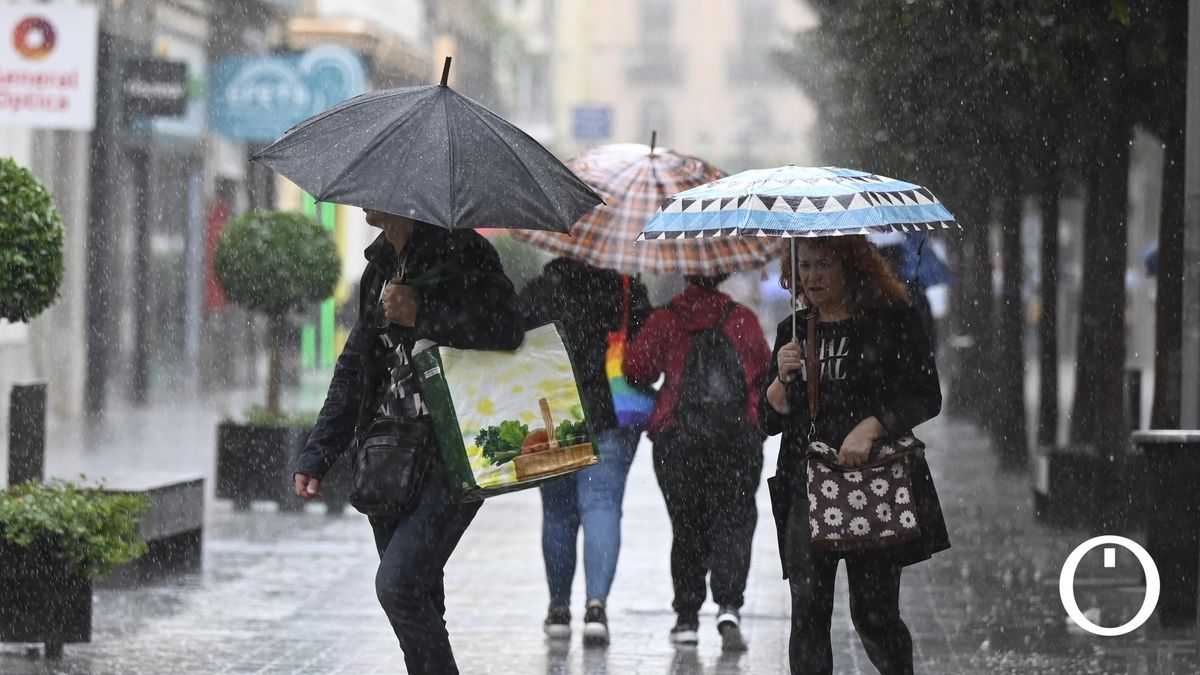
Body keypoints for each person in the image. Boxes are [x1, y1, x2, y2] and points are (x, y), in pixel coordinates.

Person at [293, 209, 523, 675]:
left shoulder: (465, 253)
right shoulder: (379, 265)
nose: (364, 199)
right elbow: (355, 368)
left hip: (452, 454)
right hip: (387, 458)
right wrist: (318, 454)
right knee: (420, 597)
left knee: (398, 585)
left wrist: (425, 315)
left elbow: (507, 329)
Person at [760, 236, 950, 675]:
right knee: (808, 614)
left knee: (875, 616)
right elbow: (767, 421)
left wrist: (872, 426)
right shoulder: (792, 331)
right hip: (806, 488)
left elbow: (926, 395)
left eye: (824, 264)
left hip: (874, 487)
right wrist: (780, 382)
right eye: (805, 265)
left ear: (852, 265)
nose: (812, 276)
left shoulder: (892, 321)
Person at [624, 274, 771, 651]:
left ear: (685, 272)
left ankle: (687, 616)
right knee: (734, 520)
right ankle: (728, 605)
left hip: (678, 440)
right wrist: (754, 424)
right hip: (736, 439)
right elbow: (764, 375)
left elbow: (637, 369)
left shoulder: (665, 319)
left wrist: (639, 327)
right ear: (722, 272)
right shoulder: (742, 319)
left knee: (687, 526)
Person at [519, 256, 651, 646]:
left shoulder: (540, 291)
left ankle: (558, 608)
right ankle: (596, 608)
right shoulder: (624, 289)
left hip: (554, 418)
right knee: (602, 506)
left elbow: (513, 343)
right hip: (610, 413)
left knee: (557, 512)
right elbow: (646, 358)